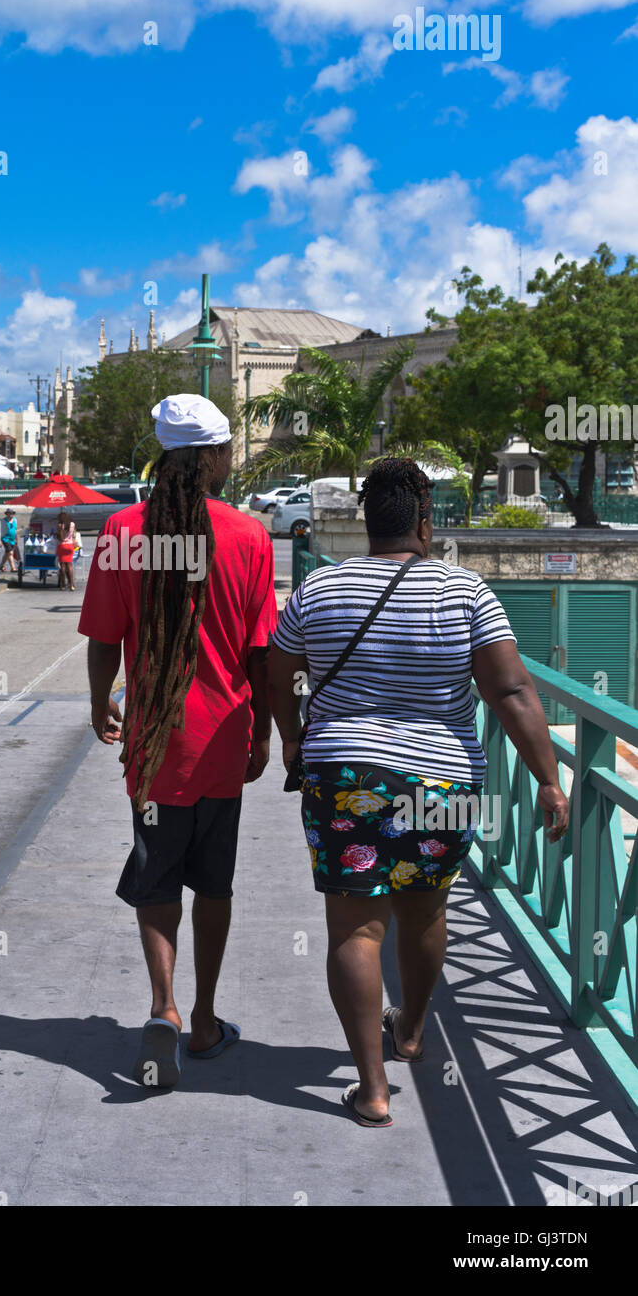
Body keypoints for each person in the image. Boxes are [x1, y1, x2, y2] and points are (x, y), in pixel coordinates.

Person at [267, 457, 571, 1128]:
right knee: (425, 912)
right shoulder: (465, 592)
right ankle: (408, 1031)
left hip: (344, 776)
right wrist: (548, 779)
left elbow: (277, 666)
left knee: (354, 926)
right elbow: (511, 690)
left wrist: (291, 735)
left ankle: (370, 1089)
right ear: (425, 525)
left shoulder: (319, 589)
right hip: (442, 777)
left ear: (364, 523)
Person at [79, 393, 277, 1088]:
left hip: (153, 743)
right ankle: (203, 1018)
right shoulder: (250, 536)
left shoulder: (122, 531)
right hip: (223, 738)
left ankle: (160, 1005)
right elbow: (261, 655)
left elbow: (105, 639)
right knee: (212, 883)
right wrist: (265, 737)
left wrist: (101, 701)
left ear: (164, 454)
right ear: (217, 455)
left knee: (156, 875)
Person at [54, 509, 76, 591]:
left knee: (63, 566)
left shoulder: (60, 525)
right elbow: (73, 535)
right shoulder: (72, 524)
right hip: (70, 546)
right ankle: (71, 585)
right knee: (69, 566)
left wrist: (57, 533)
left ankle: (63, 585)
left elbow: (62, 538)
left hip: (62, 546)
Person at [0, 508, 19, 575]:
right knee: (10, 552)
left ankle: (1, 565)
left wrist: (17, 539)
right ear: (6, 514)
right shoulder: (3, 521)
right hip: (5, 538)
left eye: (11, 513)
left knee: (8, 553)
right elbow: (0, 531)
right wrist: (0, 540)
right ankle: (13, 567)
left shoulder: (15, 520)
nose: (10, 515)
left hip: (12, 539)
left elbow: (16, 530)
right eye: (8, 513)